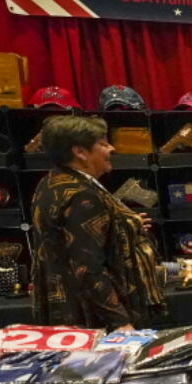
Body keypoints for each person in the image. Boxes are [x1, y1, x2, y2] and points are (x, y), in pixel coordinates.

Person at [31, 115, 165, 329]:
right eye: (103, 144)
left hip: (66, 306)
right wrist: (120, 321)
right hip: (90, 318)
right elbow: (87, 267)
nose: (111, 148)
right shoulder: (82, 196)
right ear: (80, 152)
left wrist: (123, 224)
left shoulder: (52, 182)